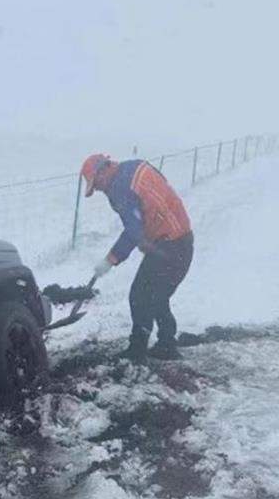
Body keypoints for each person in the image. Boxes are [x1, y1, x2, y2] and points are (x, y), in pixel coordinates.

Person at [80, 153, 194, 361]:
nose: (99, 189)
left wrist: (111, 259)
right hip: (183, 240)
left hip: (169, 245)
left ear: (104, 170)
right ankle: (167, 343)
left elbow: (133, 230)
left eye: (97, 184)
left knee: (140, 295)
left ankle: (138, 349)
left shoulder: (119, 187)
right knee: (157, 295)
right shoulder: (133, 167)